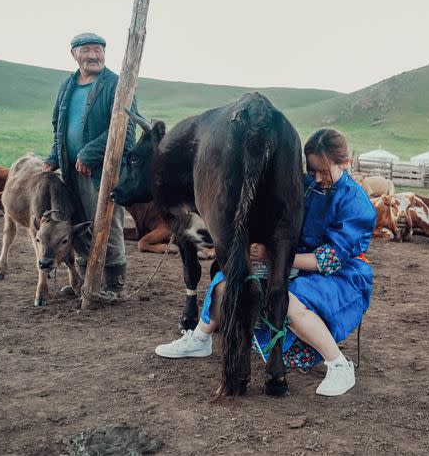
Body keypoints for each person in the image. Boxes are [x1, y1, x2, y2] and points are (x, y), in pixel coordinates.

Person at [155, 128, 377, 397]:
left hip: (338, 272)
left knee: (289, 304)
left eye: (324, 171)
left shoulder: (356, 202)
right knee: (228, 284)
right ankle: (201, 338)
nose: (317, 179)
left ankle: (339, 364)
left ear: (346, 162)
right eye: (312, 170)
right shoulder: (305, 186)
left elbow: (330, 258)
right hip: (290, 259)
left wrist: (275, 257)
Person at [42, 33, 138, 293]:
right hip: (72, 173)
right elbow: (58, 126)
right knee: (81, 224)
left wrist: (89, 153)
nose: (94, 56)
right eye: (86, 50)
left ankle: (113, 286)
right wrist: (53, 157)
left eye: (98, 50)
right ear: (74, 55)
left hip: (102, 172)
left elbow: (126, 130)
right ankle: (86, 283)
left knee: (107, 223)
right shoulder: (67, 86)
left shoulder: (117, 85)